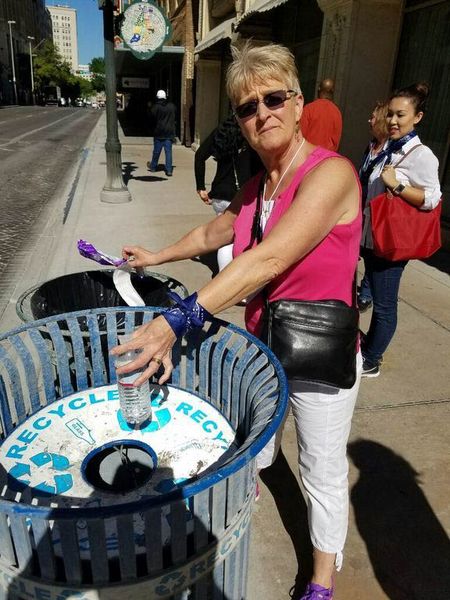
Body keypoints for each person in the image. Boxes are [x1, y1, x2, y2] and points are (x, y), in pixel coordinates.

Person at [112, 42, 362, 600]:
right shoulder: (258, 186)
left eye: (274, 98)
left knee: (320, 469)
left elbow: (268, 259)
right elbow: (213, 232)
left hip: (320, 355)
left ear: (299, 104)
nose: (262, 113)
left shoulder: (331, 175)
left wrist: (176, 321)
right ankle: (251, 486)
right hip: (265, 346)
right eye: (248, 107)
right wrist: (154, 256)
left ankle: (322, 578)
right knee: (257, 440)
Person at [359, 83, 441, 378]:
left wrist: (398, 186)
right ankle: (369, 348)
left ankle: (372, 360)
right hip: (374, 239)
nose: (393, 120)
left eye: (401, 115)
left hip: (392, 244)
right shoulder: (389, 150)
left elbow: (432, 198)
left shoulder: (421, 155)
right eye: (390, 114)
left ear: (417, 117)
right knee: (377, 299)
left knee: (384, 306)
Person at [194, 113, 262, 270]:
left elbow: (200, 156)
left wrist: (200, 187)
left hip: (220, 195)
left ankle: (225, 273)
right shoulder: (252, 134)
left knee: (226, 239)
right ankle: (228, 275)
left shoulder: (222, 131)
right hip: (243, 196)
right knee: (239, 239)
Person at [357, 101, 389, 312]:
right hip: (361, 207)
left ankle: (366, 293)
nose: (369, 120)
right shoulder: (371, 146)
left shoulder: (391, 152)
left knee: (372, 254)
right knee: (357, 250)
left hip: (376, 213)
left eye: (373, 117)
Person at [300, 78, 343, 151]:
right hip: (326, 156)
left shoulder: (309, 109)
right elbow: (336, 142)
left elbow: (301, 136)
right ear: (332, 92)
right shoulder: (337, 113)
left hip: (309, 154)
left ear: (319, 89)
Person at [148, 89, 176, 176]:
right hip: (169, 132)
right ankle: (169, 170)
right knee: (168, 152)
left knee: (156, 151)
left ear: (157, 97)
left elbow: (151, 117)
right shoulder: (172, 106)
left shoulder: (156, 107)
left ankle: (153, 167)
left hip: (159, 132)